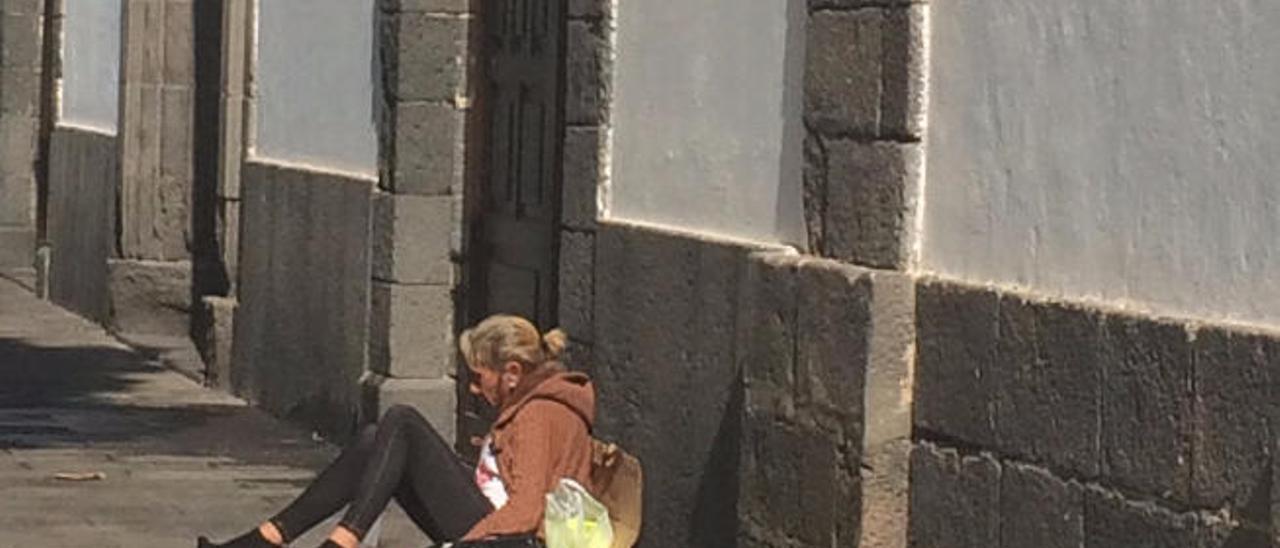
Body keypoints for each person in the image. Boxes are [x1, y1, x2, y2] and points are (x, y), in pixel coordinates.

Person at [199, 315, 598, 548]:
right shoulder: (536, 403)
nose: (475, 390)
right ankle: (263, 540)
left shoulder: (538, 416)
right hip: (495, 524)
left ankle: (337, 543)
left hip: (506, 540)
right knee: (377, 439)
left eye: (479, 378)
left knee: (403, 423)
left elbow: (525, 510)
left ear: (512, 373)